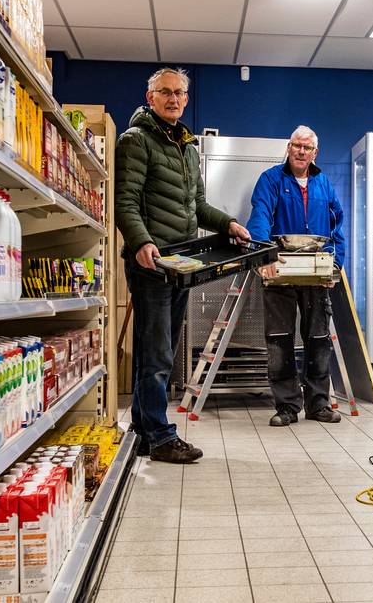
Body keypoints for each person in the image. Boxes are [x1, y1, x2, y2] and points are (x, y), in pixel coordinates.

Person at [115, 67, 251, 463]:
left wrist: (228, 223)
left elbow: (198, 206)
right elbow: (125, 201)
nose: (173, 99)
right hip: (153, 264)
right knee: (158, 354)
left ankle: (144, 431)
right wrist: (141, 242)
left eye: (179, 93)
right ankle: (160, 436)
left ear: (186, 99)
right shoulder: (136, 140)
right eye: (165, 92)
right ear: (151, 97)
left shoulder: (187, 148)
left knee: (157, 351)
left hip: (181, 263)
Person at [247, 125, 346, 427]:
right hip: (280, 268)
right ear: (289, 148)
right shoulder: (271, 180)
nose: (301, 151)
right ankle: (287, 406)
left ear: (316, 153)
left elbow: (337, 226)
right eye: (296, 146)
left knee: (318, 339)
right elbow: (260, 216)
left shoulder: (323, 183)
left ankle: (318, 403)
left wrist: (335, 265)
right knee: (279, 339)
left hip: (316, 272)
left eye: (307, 147)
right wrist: (264, 255)